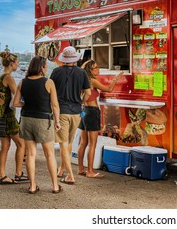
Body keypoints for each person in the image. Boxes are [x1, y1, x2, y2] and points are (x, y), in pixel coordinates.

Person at [13, 56, 62, 194]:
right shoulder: (49, 82)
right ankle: (55, 186)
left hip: (26, 120)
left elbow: (15, 103)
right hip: (43, 120)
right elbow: (55, 105)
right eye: (45, 65)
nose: (46, 68)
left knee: (31, 154)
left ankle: (33, 186)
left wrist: (27, 104)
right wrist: (57, 122)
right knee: (49, 154)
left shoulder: (22, 82)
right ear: (41, 67)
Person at [50, 46, 91, 185]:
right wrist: (81, 103)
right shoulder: (82, 73)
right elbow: (88, 93)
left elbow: (50, 91)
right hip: (76, 113)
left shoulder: (56, 72)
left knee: (63, 144)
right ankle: (61, 170)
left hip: (61, 112)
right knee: (68, 144)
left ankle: (70, 176)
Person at [77, 60, 123, 178]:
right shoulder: (92, 81)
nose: (98, 70)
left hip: (84, 111)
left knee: (83, 143)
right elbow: (108, 89)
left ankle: (81, 169)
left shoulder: (82, 80)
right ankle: (90, 171)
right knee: (92, 143)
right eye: (95, 68)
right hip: (92, 112)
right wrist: (116, 79)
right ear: (90, 70)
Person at [0, 51, 29, 185]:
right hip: (8, 116)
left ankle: (1, 175)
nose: (18, 64)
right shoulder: (9, 78)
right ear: (11, 63)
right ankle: (19, 173)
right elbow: (17, 95)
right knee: (21, 144)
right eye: (17, 62)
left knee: (4, 147)